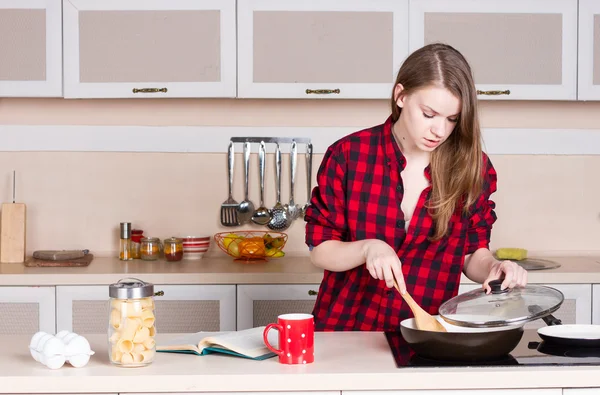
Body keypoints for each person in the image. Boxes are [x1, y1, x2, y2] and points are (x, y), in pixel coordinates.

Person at [303, 43, 528, 332]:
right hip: (344, 331)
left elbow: (472, 254)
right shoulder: (348, 155)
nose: (440, 131)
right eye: (429, 114)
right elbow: (320, 249)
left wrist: (495, 268)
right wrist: (367, 248)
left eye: (452, 119)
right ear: (400, 96)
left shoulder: (474, 168)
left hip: (426, 335)